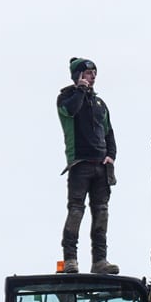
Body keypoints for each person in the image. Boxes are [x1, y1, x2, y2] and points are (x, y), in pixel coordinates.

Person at [56, 57, 118, 274]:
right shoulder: (66, 98)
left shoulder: (100, 104)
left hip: (101, 166)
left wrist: (111, 155)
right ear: (78, 75)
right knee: (76, 211)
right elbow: (70, 111)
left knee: (101, 213)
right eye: (88, 72)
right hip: (79, 165)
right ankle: (70, 259)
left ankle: (100, 260)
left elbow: (109, 131)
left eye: (94, 73)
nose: (92, 76)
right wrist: (80, 90)